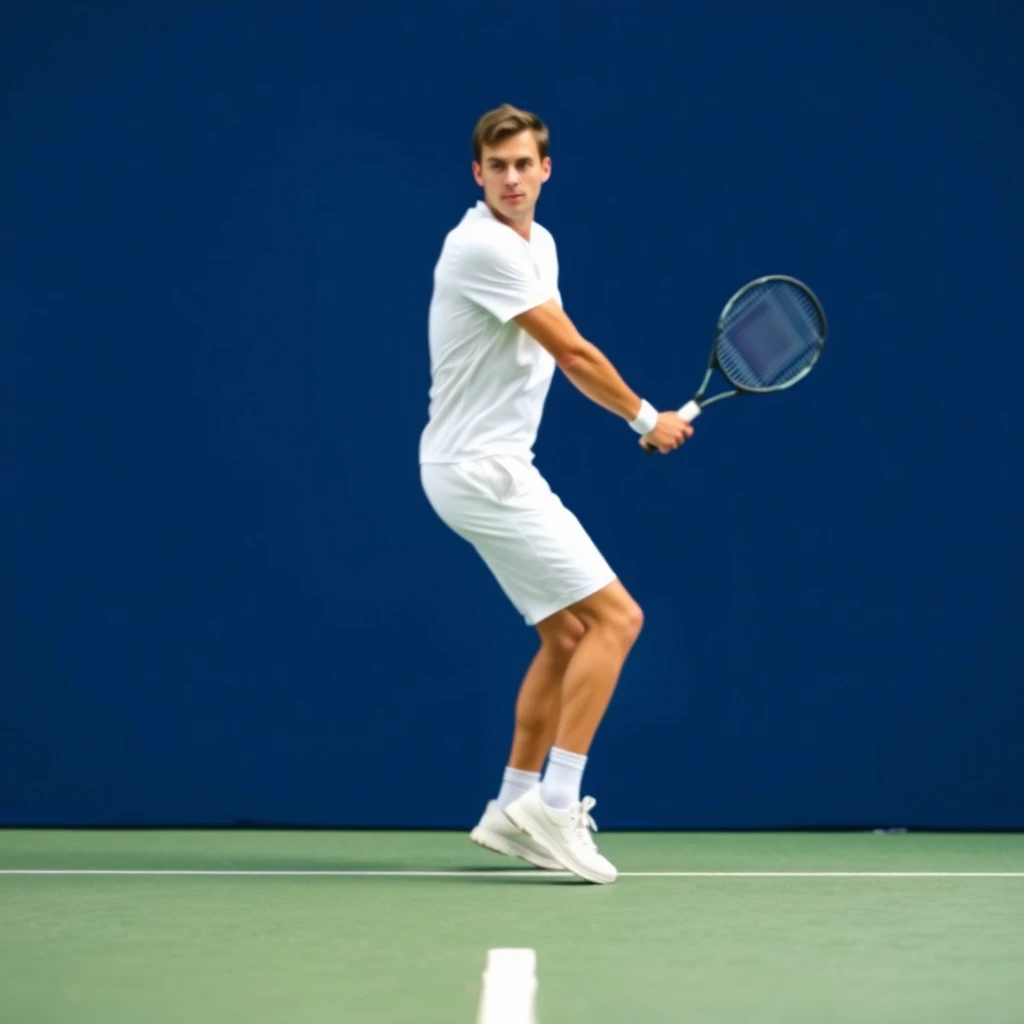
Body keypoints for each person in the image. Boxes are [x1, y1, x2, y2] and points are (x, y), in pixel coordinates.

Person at [418, 104, 693, 884]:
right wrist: (646, 418)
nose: (511, 178)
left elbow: (557, 354)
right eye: (496, 166)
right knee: (620, 618)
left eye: (523, 164)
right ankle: (556, 800)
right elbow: (571, 352)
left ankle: (510, 808)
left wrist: (635, 415)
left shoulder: (539, 244)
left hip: (477, 466)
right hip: (482, 469)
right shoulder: (480, 247)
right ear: (478, 175)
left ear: (545, 171)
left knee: (568, 637)